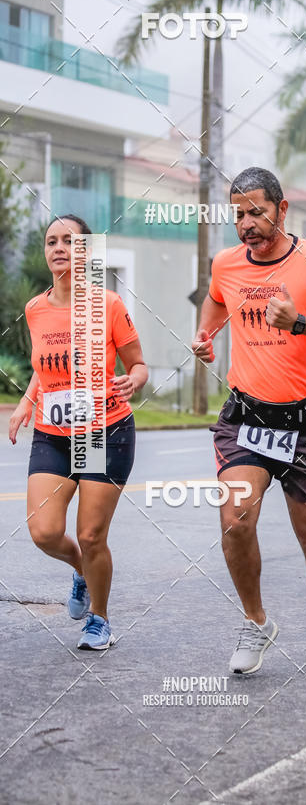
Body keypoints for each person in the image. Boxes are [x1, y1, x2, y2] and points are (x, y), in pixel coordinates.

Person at [192, 167, 306, 674]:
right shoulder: (226, 263)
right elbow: (216, 296)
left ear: (282, 210)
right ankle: (256, 621)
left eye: (257, 212)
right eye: (239, 214)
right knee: (234, 522)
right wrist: (205, 335)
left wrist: (300, 323)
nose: (246, 223)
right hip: (245, 415)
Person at [8, 214, 148, 650]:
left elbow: (138, 363)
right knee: (44, 531)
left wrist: (135, 379)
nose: (59, 248)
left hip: (103, 432)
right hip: (53, 432)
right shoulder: (35, 309)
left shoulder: (108, 305)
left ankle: (100, 620)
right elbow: (44, 369)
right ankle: (81, 571)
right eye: (52, 241)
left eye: (70, 241)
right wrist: (26, 402)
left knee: (91, 535)